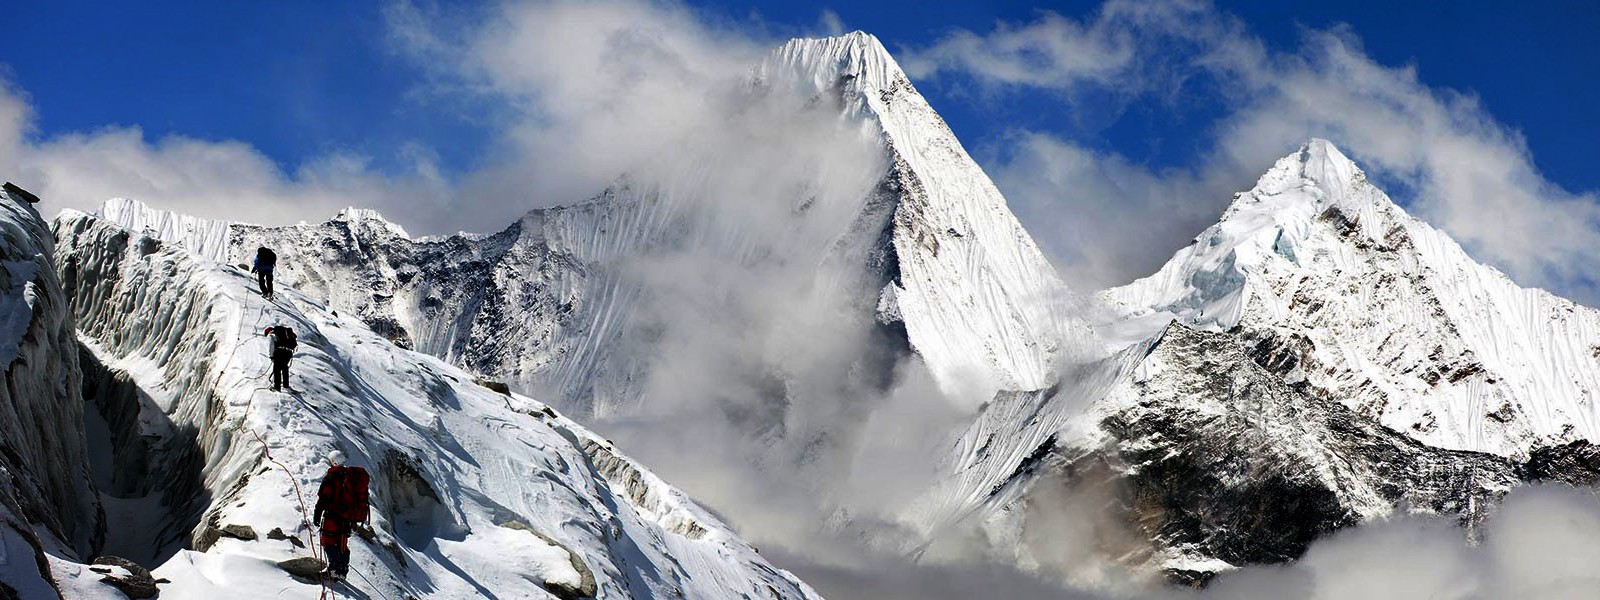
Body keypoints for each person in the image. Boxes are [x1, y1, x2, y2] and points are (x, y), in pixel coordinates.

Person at [313, 450, 369, 582]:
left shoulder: (331, 477)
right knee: (342, 543)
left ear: (333, 462)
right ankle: (342, 571)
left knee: (328, 541)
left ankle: (334, 571)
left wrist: (317, 513)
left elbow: (323, 498)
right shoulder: (350, 476)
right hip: (348, 518)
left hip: (333, 516)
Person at [265, 325, 297, 392]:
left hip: (279, 352)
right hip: (288, 353)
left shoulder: (273, 335)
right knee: (285, 368)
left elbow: (272, 346)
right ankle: (286, 385)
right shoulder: (284, 332)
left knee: (277, 370)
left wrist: (271, 356)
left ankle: (277, 387)